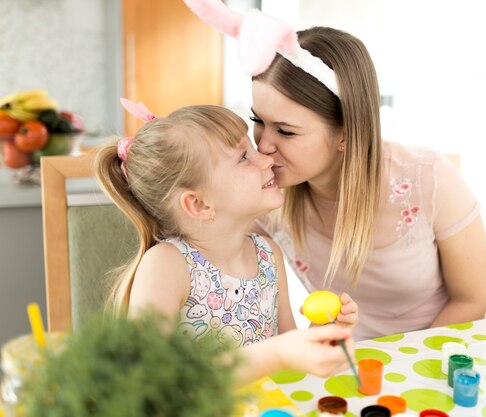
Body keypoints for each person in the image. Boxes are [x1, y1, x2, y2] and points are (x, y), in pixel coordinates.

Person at [247, 26, 486, 341]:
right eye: (257, 121)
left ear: (346, 133)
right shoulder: (268, 196)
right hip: (339, 367)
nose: (263, 146)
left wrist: (399, 367)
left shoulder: (430, 179)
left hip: (426, 363)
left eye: (286, 131)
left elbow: (471, 300)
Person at [94, 100, 358, 386]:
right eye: (243, 157)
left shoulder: (268, 253)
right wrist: (279, 353)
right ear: (198, 204)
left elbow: (286, 353)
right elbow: (148, 382)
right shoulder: (167, 265)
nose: (266, 159)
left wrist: (319, 332)